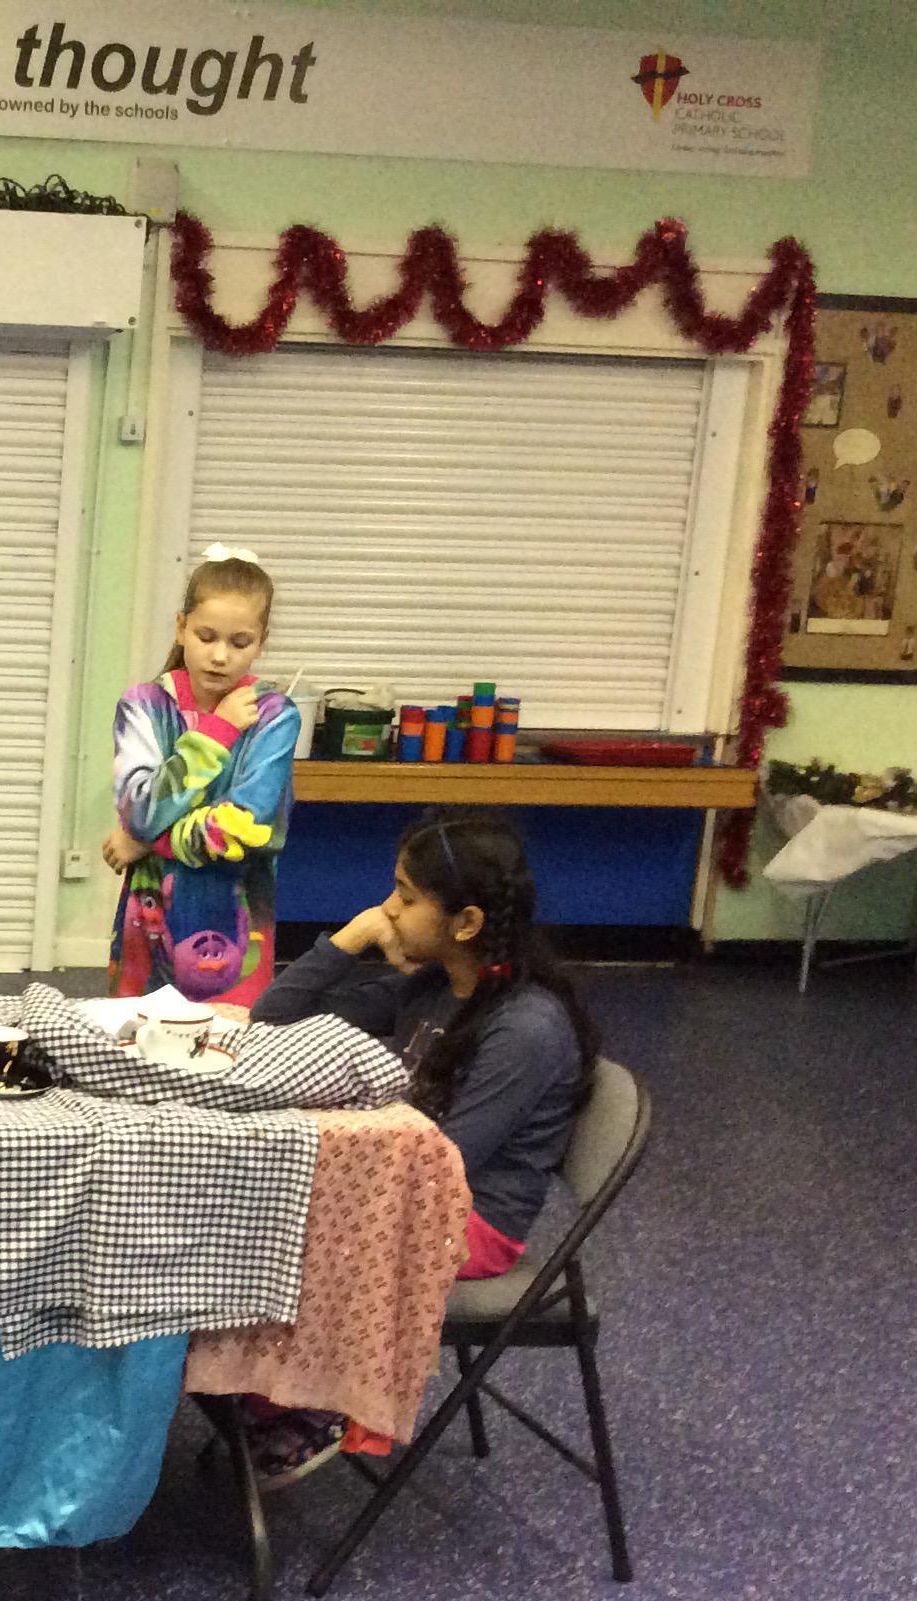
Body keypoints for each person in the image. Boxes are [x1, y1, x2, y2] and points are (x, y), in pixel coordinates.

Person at [239, 809, 600, 1486]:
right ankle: (261, 1389)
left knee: (281, 1227)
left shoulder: (524, 1030)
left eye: (405, 898)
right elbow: (273, 1019)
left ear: (465, 923)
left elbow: (444, 1166)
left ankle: (316, 1403)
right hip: (406, 1180)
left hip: (469, 1220)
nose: (388, 910)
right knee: (250, 1202)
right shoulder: (434, 987)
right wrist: (349, 939)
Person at [104, 545, 302, 1007]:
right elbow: (140, 810)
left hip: (235, 927)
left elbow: (244, 829)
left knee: (223, 1041)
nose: (219, 656)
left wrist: (146, 842)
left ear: (261, 642)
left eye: (240, 643)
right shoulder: (144, 705)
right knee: (135, 1036)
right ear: (181, 627)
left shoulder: (275, 716)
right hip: (148, 924)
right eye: (206, 636)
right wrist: (216, 732)